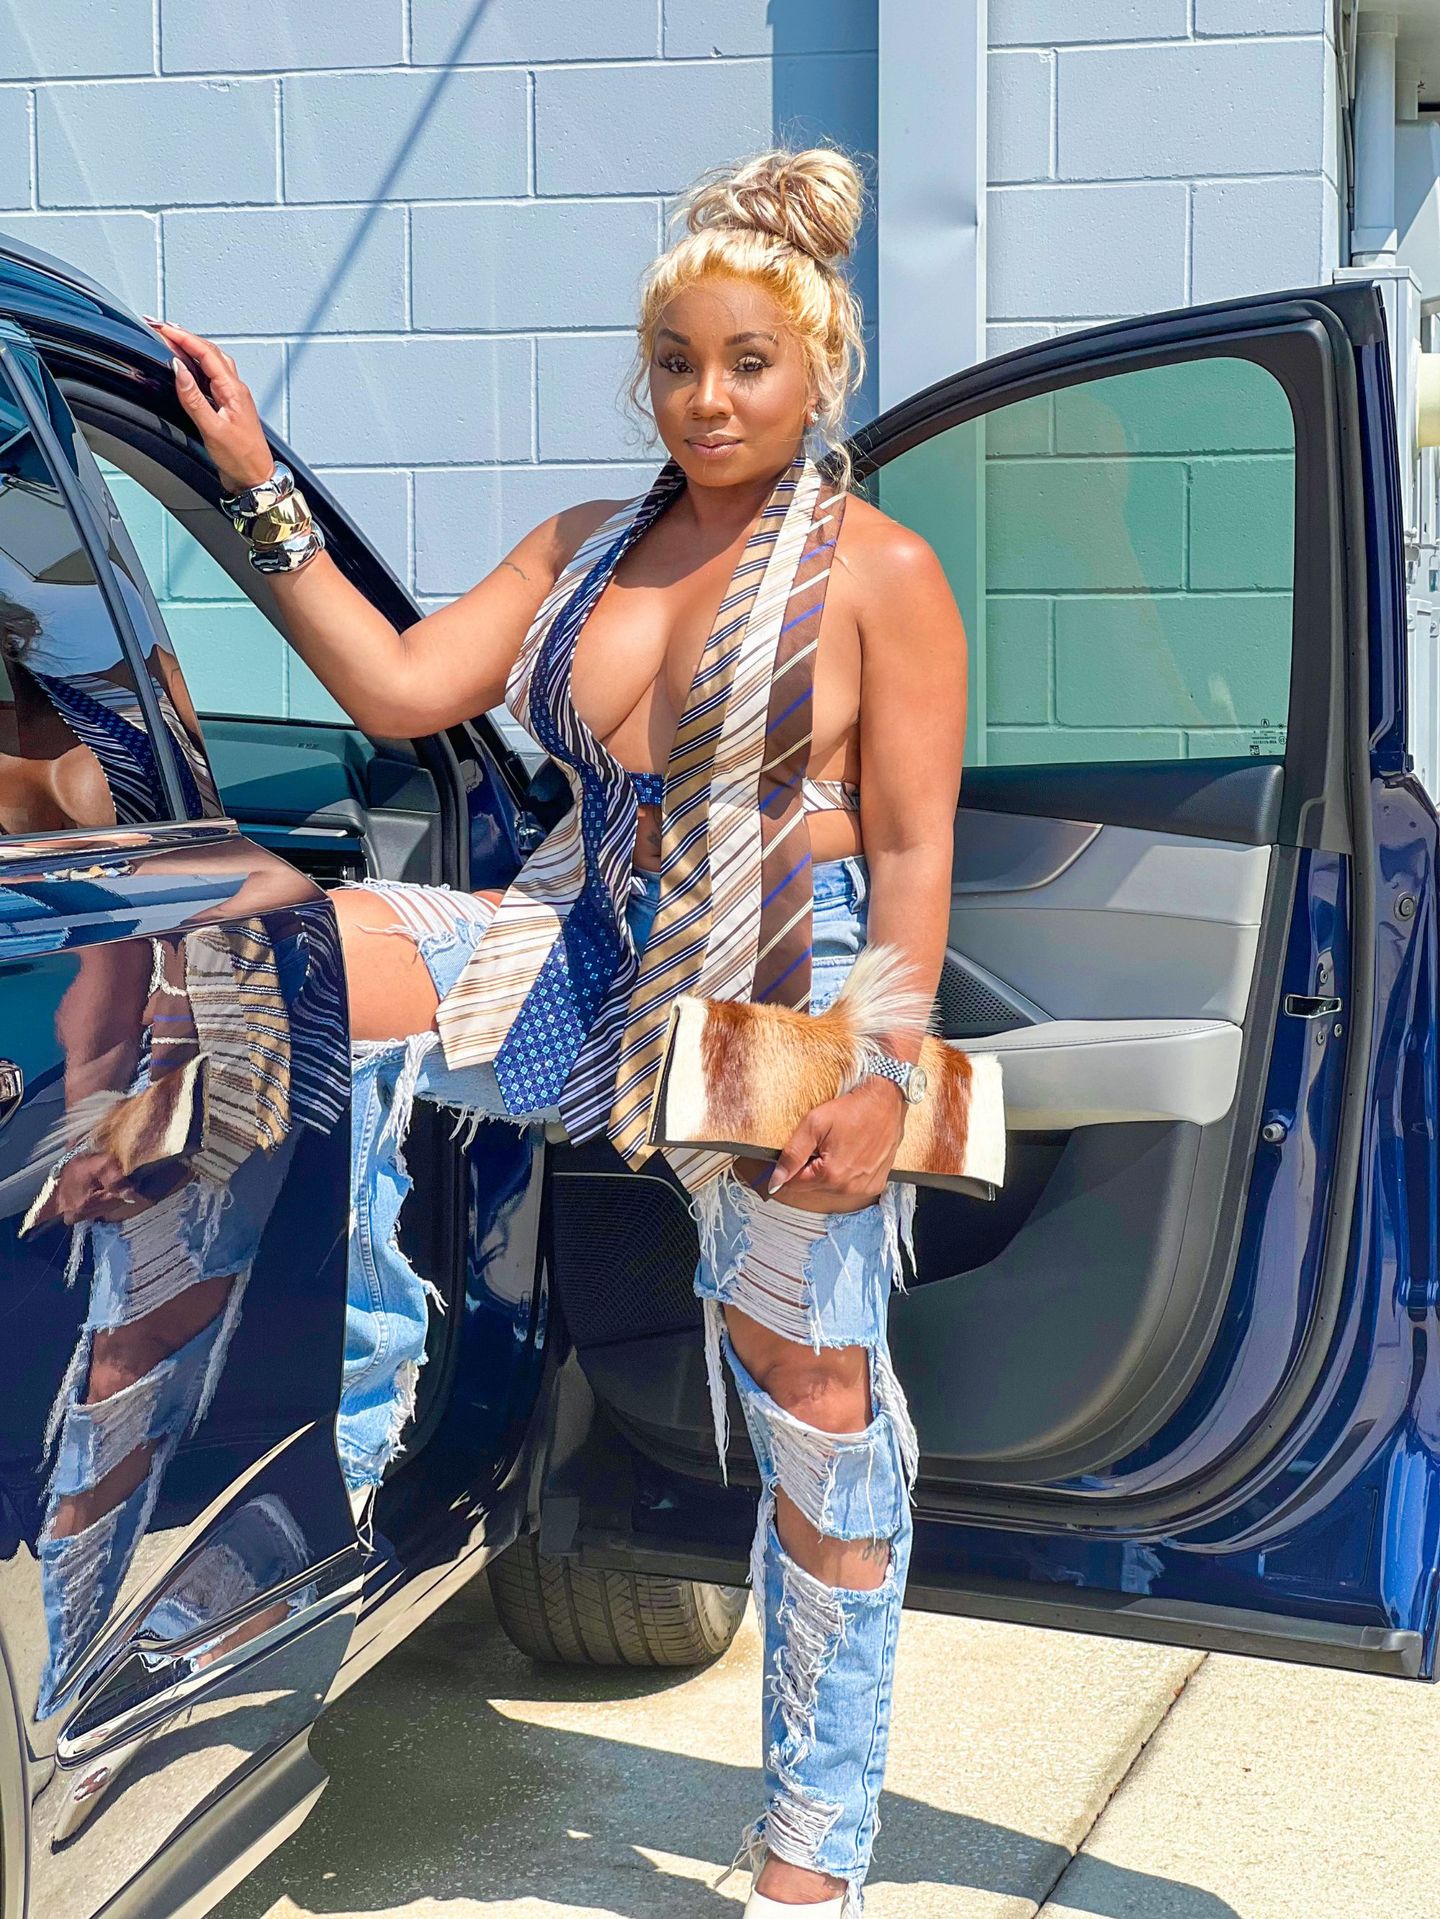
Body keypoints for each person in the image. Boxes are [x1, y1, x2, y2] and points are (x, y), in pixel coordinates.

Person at [150, 146, 968, 1918]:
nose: (708, 397)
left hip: (781, 992)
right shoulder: (585, 550)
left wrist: (887, 1071)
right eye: (677, 362)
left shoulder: (885, 574)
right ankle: (344, 1416)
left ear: (818, 366)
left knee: (819, 1407)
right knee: (293, 960)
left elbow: (912, 852)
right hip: (580, 942)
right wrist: (255, 485)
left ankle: (815, 1853)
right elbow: (394, 687)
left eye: (747, 362)